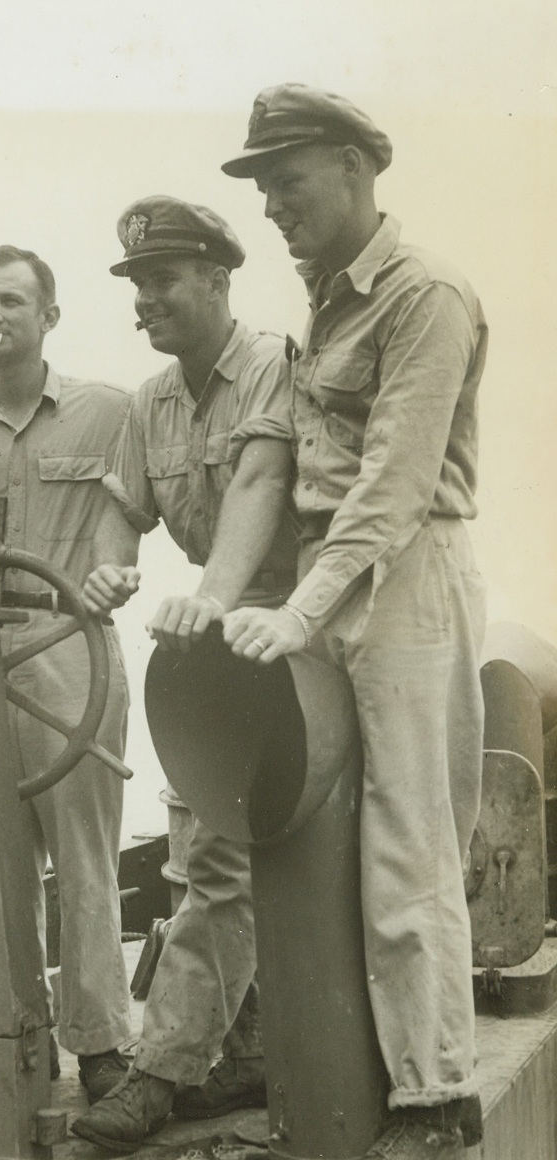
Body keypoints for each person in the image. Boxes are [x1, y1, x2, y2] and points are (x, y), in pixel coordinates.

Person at [220, 85, 487, 1160]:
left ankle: (436, 1101)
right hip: (331, 583)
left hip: (404, 573)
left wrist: (294, 609)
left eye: (285, 181)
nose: (271, 207)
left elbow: (392, 484)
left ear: (350, 166)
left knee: (407, 839)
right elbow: (273, 459)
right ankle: (357, 1078)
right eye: (262, 188)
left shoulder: (423, 294)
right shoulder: (319, 306)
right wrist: (234, 594)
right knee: (333, 841)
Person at [71, 196, 297, 1151]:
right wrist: (114, 564)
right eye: (135, 285)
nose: (143, 301)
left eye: (161, 281)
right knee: (207, 852)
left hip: (302, 631)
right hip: (218, 646)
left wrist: (209, 598)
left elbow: (259, 484)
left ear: (217, 277)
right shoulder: (148, 402)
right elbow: (127, 506)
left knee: (269, 857)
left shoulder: (276, 366)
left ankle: (182, 1064)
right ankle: (208, 1060)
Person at [0, 246, 133, 1103]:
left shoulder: (112, 412)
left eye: (10, 300)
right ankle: (20, 1039)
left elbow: (134, 518)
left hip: (69, 648)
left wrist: (115, 570)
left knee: (86, 861)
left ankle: (101, 1050)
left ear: (50, 315)